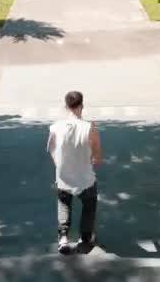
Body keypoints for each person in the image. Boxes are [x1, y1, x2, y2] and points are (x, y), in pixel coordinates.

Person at [47, 91, 102, 254]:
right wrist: (94, 158)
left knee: (64, 204)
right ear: (82, 106)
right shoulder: (90, 128)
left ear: (66, 106)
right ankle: (85, 238)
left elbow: (51, 149)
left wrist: (58, 164)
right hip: (85, 178)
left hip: (63, 177)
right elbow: (98, 154)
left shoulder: (55, 127)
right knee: (89, 205)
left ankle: (63, 238)